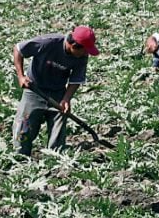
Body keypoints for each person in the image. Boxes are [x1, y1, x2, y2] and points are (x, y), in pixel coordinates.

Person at [12, 25, 99, 156]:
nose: (86, 54)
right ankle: (19, 157)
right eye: (84, 50)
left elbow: (76, 79)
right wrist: (21, 76)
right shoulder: (48, 42)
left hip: (58, 92)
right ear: (74, 45)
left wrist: (66, 99)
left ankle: (54, 159)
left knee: (58, 130)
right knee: (24, 127)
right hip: (34, 89)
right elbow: (18, 49)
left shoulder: (81, 56)